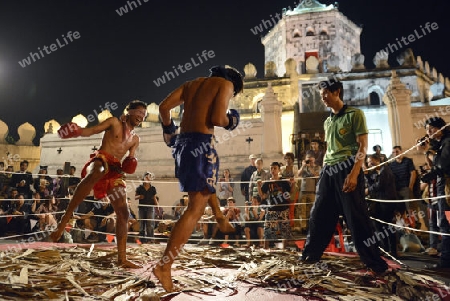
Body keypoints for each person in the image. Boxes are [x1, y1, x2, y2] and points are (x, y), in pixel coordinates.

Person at [154, 65, 244, 292]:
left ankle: (220, 218)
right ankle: (164, 266)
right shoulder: (225, 84)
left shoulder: (191, 84)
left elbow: (164, 108)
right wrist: (232, 120)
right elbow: (217, 117)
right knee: (194, 208)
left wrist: (169, 130)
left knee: (205, 188)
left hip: (182, 144)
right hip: (201, 144)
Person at [300, 78, 388, 274]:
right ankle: (309, 257)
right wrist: (323, 172)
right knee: (318, 216)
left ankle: (375, 264)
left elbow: (362, 146)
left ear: (337, 92)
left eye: (326, 94)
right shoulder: (328, 121)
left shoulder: (355, 114)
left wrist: (355, 173)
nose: (323, 99)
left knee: (356, 218)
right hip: (328, 171)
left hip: (348, 168)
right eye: (321, 95)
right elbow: (330, 149)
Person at [50, 100, 148, 268]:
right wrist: (77, 131)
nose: (140, 116)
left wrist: (131, 162)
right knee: (97, 171)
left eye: (143, 115)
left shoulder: (135, 139)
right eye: (138, 112)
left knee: (123, 213)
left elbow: (129, 158)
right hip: (102, 160)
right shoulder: (114, 122)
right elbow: (92, 130)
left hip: (115, 171)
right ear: (129, 112)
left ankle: (122, 259)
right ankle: (62, 224)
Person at [419, 117, 450, 268]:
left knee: (445, 224)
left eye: (431, 129)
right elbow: (435, 159)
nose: (428, 133)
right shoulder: (441, 144)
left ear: (441, 128)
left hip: (446, 189)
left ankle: (445, 262)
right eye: (426, 130)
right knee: (444, 223)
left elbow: (442, 166)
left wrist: (427, 175)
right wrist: (427, 150)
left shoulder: (448, 142)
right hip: (442, 188)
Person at [365, 154, 399, 257]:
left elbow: (379, 185)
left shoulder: (385, 170)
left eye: (371, 162)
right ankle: (385, 249)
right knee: (379, 226)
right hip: (379, 202)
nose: (369, 164)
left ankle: (393, 251)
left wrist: (368, 190)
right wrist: (366, 175)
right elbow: (372, 184)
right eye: (368, 162)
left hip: (387, 202)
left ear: (377, 160)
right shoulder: (376, 173)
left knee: (388, 227)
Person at [257, 161, 295, 249]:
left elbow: (291, 192)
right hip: (271, 209)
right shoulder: (267, 182)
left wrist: (293, 183)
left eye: (275, 168)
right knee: (268, 230)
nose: (273, 170)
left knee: (284, 230)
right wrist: (258, 186)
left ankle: (284, 250)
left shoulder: (284, 181)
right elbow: (262, 195)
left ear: (279, 170)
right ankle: (266, 249)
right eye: (271, 168)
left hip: (283, 208)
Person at [298, 150, 321, 232]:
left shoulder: (317, 167)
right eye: (307, 159)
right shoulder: (304, 167)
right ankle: (303, 227)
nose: (309, 161)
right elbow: (298, 174)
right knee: (302, 210)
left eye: (310, 159)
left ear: (314, 159)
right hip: (303, 190)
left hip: (312, 191)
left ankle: (310, 226)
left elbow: (316, 175)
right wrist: (303, 166)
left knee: (311, 209)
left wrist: (310, 167)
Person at [135, 172, 158, 243]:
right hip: (142, 208)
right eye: (146, 177)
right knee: (142, 223)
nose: (148, 179)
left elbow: (154, 198)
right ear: (144, 178)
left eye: (149, 177)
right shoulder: (139, 188)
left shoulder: (153, 188)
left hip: (150, 207)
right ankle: (142, 239)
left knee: (150, 223)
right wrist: (139, 196)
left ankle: (150, 239)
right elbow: (135, 197)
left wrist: (157, 206)